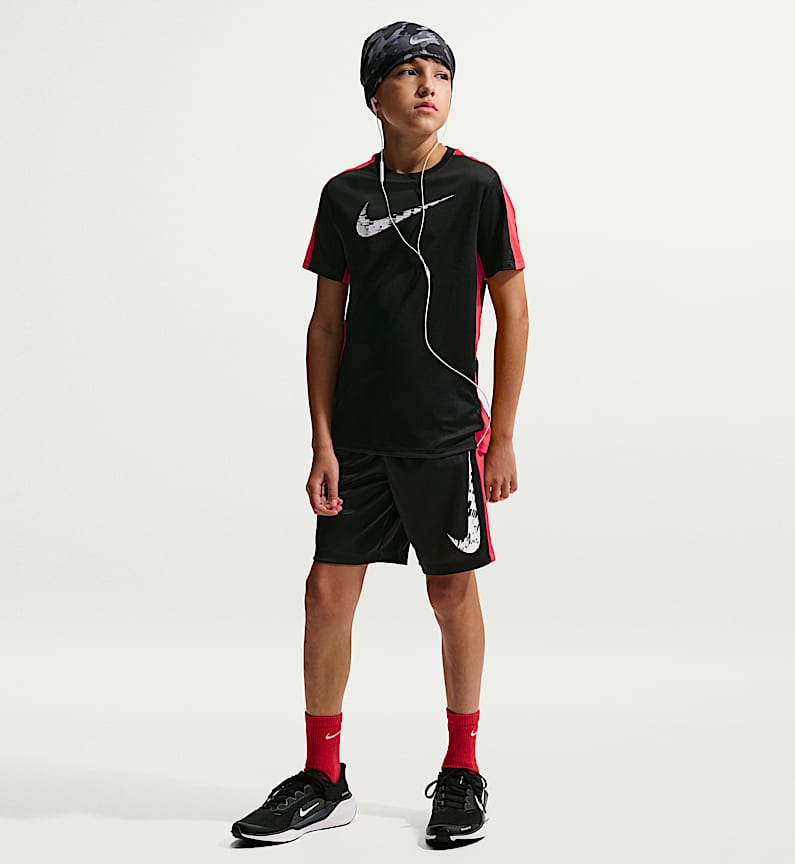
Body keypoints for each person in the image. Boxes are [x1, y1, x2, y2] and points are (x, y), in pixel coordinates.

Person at [231, 20, 529, 848]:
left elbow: (513, 312)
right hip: (358, 438)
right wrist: (322, 442)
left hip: (445, 435)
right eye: (408, 72)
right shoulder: (344, 196)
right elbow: (325, 326)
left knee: (450, 594)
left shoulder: (479, 186)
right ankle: (324, 778)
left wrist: (503, 435)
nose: (428, 85)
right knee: (326, 594)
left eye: (441, 73)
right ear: (375, 96)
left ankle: (462, 768)